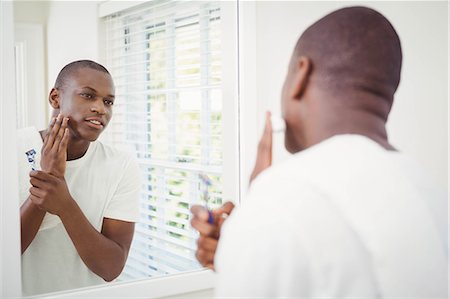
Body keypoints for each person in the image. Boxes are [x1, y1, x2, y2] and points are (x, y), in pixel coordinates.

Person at [191, 6, 447, 297]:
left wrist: (254, 219)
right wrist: (238, 246)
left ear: (301, 73)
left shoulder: (280, 199)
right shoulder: (433, 194)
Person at [18, 60, 141, 295]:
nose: (101, 109)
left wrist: (65, 206)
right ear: (55, 97)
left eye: (108, 102)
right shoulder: (9, 147)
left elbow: (111, 268)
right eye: (88, 95)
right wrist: (48, 178)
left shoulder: (121, 165)